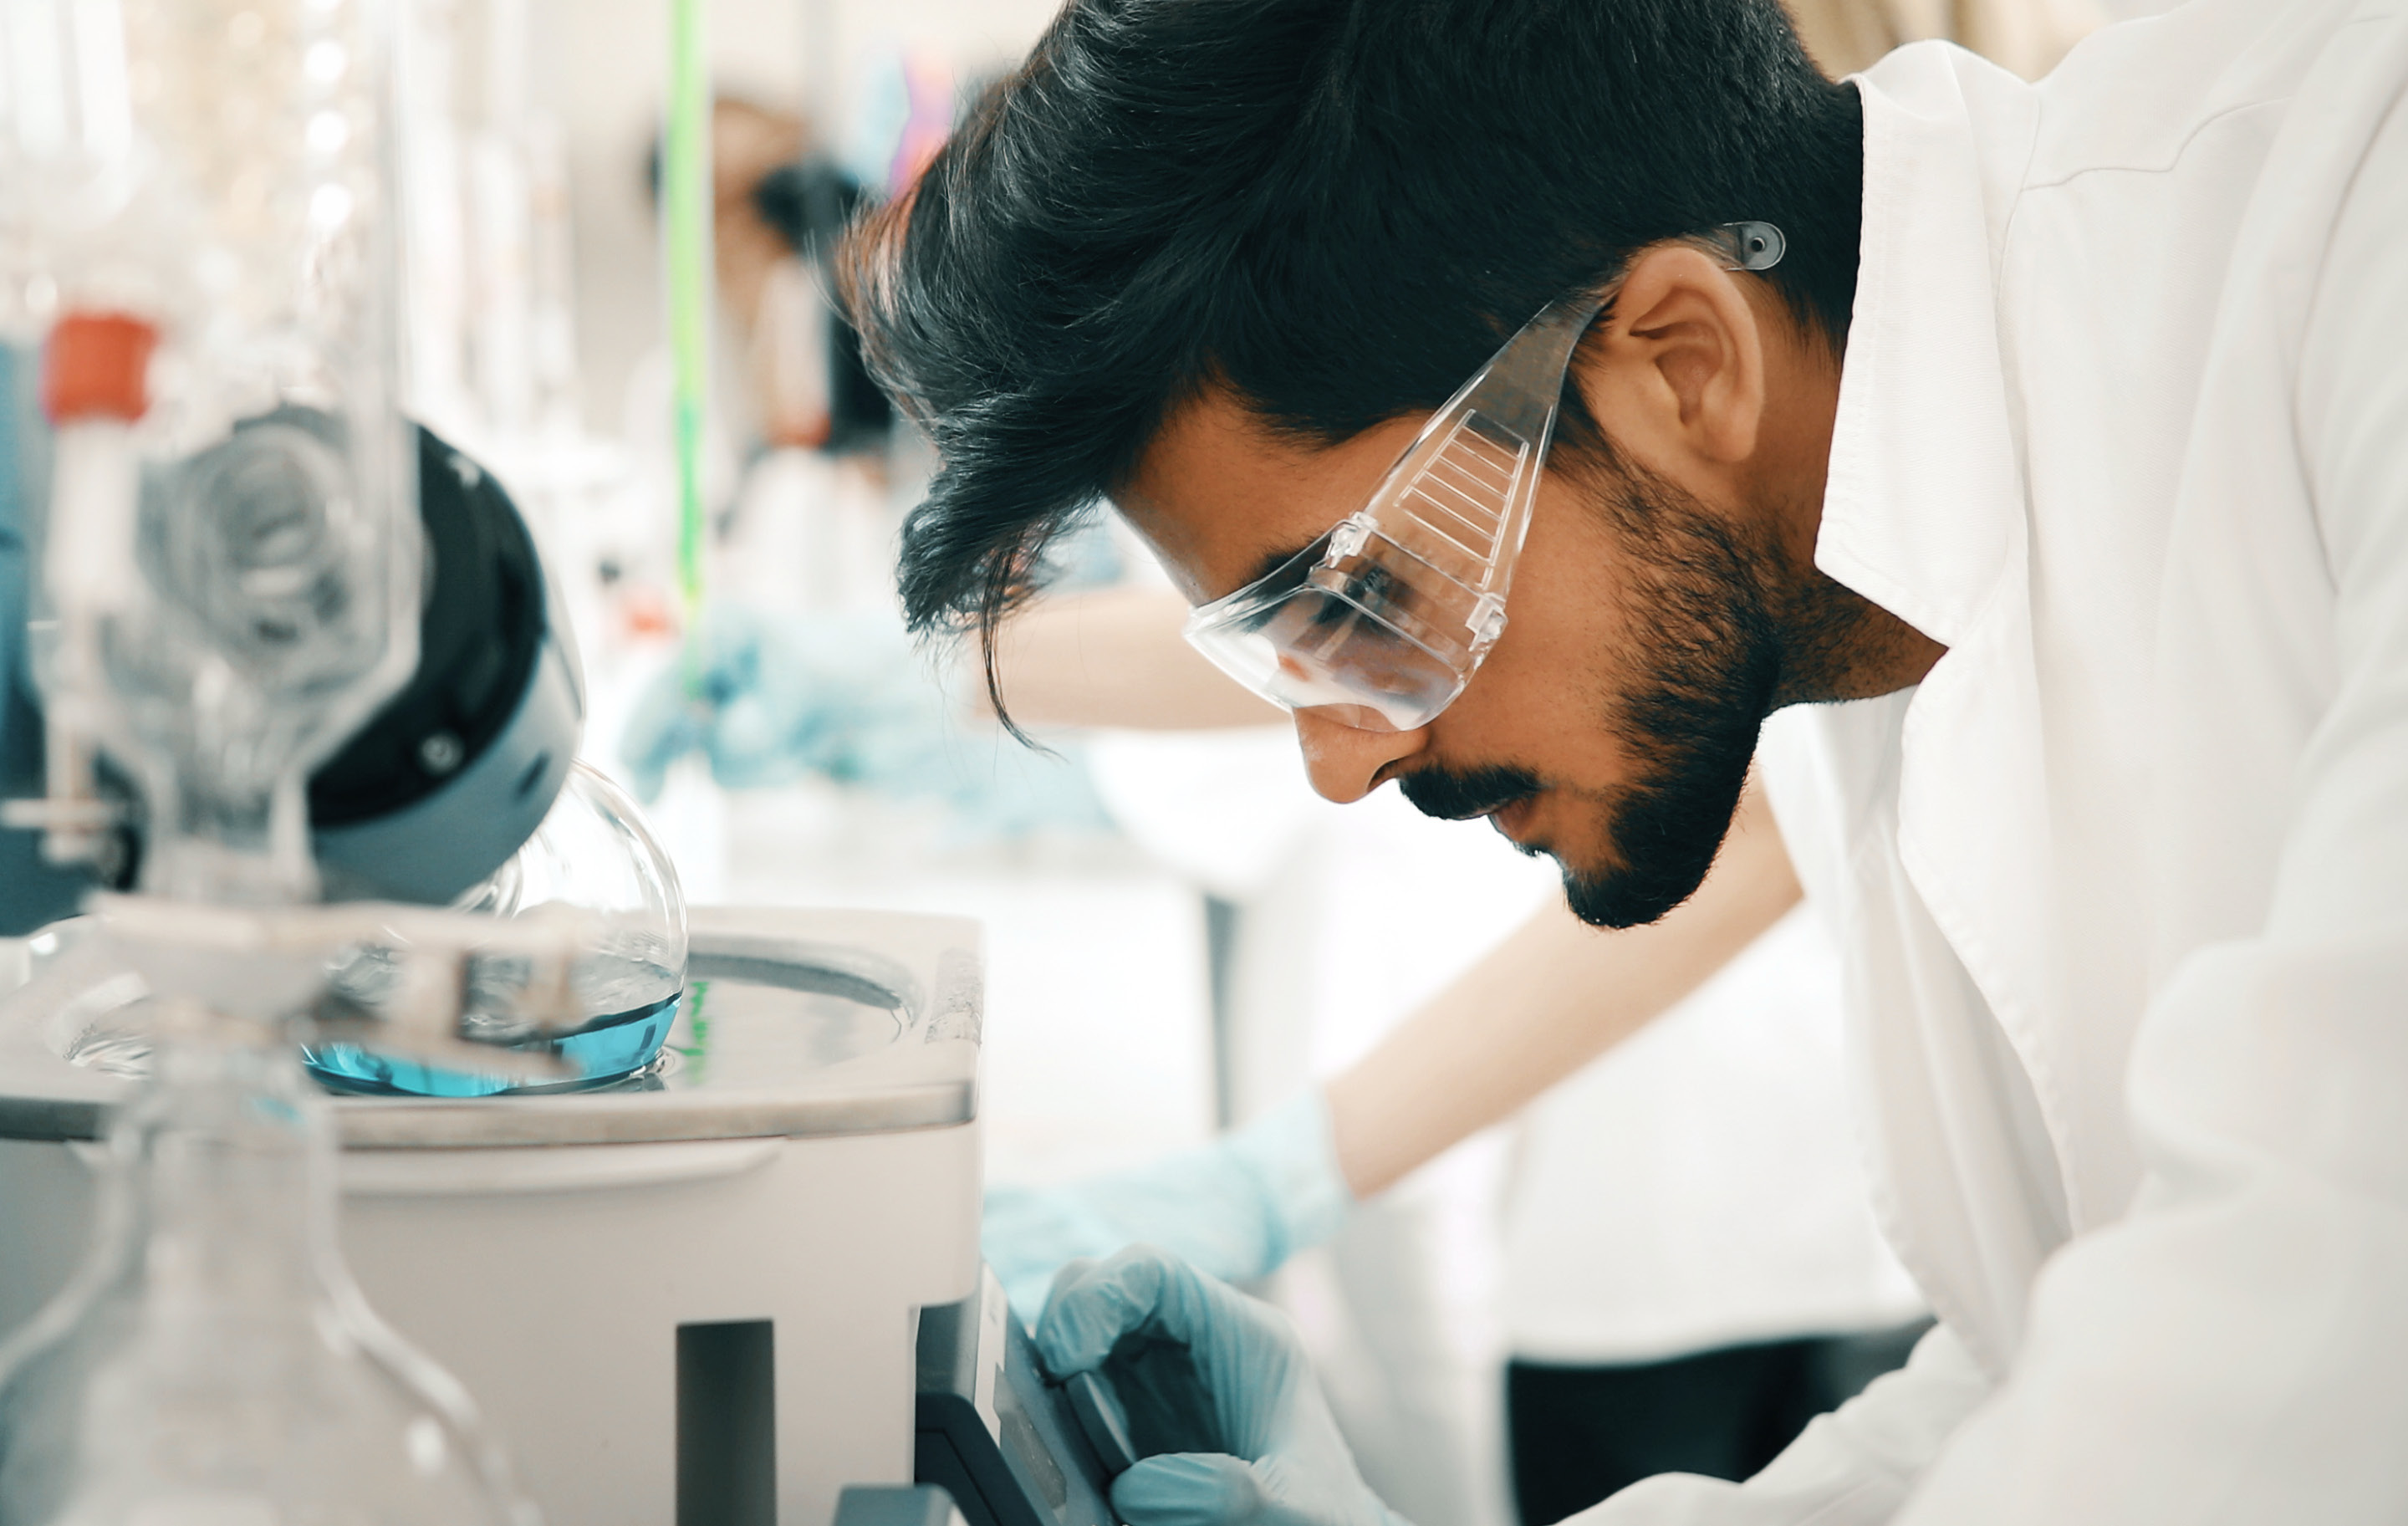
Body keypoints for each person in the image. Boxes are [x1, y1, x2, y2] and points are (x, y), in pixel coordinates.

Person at [835, 0, 2408, 1520]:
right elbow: (2028, 1378)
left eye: (1353, 600)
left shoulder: (2352, 221)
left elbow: (2312, 1341)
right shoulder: (1840, 582)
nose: (1335, 761)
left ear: (1681, 364)